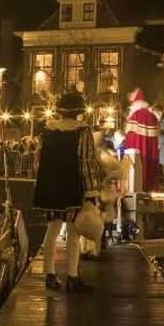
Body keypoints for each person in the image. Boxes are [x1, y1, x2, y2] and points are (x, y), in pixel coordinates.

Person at [32, 91, 106, 292]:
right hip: (72, 186)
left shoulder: (47, 131)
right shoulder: (82, 133)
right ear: (79, 112)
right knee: (73, 233)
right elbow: (86, 164)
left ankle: (49, 274)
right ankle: (72, 277)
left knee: (52, 229)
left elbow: (38, 161)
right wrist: (92, 193)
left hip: (50, 186)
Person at [123, 88, 163, 194]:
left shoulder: (134, 116)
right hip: (150, 153)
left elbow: (130, 139)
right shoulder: (152, 117)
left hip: (137, 154)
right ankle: (150, 186)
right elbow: (156, 139)